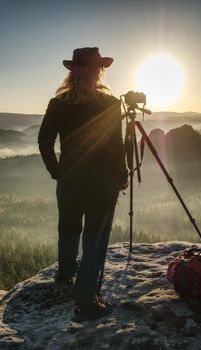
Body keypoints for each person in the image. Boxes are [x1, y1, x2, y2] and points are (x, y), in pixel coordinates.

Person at [38, 47, 128, 321]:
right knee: (95, 238)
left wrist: (58, 172)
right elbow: (116, 145)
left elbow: (44, 142)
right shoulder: (110, 104)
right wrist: (121, 175)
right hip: (102, 183)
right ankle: (86, 302)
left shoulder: (59, 103)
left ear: (72, 72)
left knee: (68, 228)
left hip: (70, 180)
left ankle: (65, 277)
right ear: (99, 71)